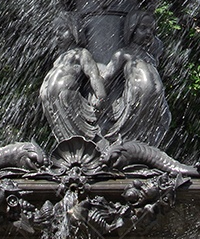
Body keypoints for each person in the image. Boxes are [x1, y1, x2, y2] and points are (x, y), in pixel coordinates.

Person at [100, 9, 171, 146]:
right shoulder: (124, 53)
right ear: (132, 29)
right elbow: (107, 75)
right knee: (132, 129)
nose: (148, 33)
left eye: (151, 29)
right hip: (136, 99)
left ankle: (151, 148)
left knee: (165, 120)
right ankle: (124, 147)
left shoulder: (150, 56)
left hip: (157, 101)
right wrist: (99, 94)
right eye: (143, 28)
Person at [39, 13, 107, 141]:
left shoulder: (81, 53)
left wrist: (101, 96)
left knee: (75, 133)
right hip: (53, 102)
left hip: (68, 100)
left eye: (62, 30)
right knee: (62, 132)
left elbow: (93, 75)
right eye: (55, 32)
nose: (57, 34)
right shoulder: (59, 58)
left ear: (74, 30)